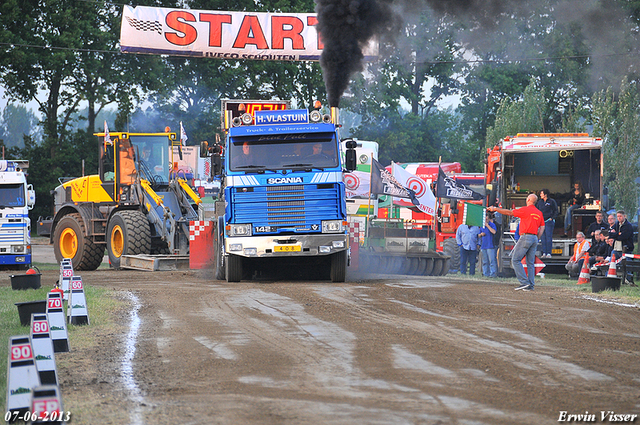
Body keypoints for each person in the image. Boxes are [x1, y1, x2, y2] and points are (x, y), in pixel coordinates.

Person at [488, 193, 545, 291]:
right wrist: (537, 237)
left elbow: (509, 212)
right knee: (530, 263)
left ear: (528, 200)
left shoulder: (525, 210)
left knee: (515, 260)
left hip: (525, 236)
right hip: (534, 238)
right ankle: (531, 285)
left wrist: (496, 209)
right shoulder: (539, 212)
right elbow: (542, 227)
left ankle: (524, 282)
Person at [536, 189, 558, 258]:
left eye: (541, 193)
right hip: (541, 222)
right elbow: (537, 211)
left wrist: (552, 218)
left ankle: (549, 253)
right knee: (542, 238)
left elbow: (556, 210)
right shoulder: (539, 202)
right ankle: (544, 253)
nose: (540, 195)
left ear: (545, 194)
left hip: (549, 221)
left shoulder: (552, 201)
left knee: (548, 237)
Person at [478, 213, 498, 277]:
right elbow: (478, 235)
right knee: (484, 261)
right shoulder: (481, 226)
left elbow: (494, 232)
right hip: (483, 246)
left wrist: (487, 226)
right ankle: (485, 273)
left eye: (486, 218)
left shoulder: (492, 225)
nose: (485, 219)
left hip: (490, 245)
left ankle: (493, 274)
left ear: (489, 218)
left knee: (492, 261)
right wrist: (481, 234)